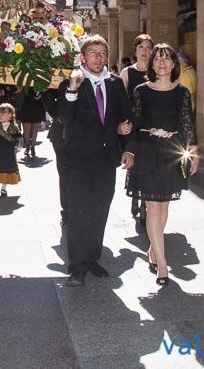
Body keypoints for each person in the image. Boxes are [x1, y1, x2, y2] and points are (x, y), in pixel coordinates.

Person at [58, 35, 135, 287]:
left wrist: (128, 148)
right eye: (93, 52)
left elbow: (125, 118)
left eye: (102, 53)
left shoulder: (115, 83)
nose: (98, 57)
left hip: (106, 159)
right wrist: (72, 90)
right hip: (78, 161)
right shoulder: (71, 83)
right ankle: (76, 266)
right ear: (82, 57)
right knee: (79, 213)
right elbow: (65, 119)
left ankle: (92, 258)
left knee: (100, 210)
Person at [129, 44, 198, 287]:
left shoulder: (182, 92)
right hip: (146, 153)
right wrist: (129, 151)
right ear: (151, 64)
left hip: (171, 152)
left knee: (164, 205)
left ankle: (153, 249)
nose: (162, 62)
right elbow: (136, 123)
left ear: (174, 64)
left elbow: (188, 124)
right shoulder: (140, 91)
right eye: (157, 58)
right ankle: (162, 264)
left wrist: (193, 153)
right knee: (153, 207)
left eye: (167, 58)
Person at [120, 34, 154, 220]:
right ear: (135, 50)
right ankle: (135, 196)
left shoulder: (157, 71)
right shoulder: (127, 73)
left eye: (148, 48)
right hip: (133, 126)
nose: (144, 51)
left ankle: (144, 204)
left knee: (149, 166)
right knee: (136, 165)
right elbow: (120, 100)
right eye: (141, 47)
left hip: (152, 127)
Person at [42, 88, 68, 226]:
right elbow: (47, 98)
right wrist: (58, 116)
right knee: (64, 175)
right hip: (61, 134)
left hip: (84, 134)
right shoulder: (55, 86)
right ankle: (66, 212)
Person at [17, 89, 44, 159]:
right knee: (26, 129)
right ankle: (27, 146)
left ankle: (33, 147)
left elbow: (45, 88)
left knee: (35, 128)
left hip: (37, 105)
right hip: (26, 104)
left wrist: (41, 94)